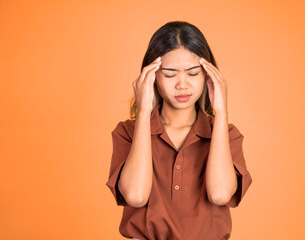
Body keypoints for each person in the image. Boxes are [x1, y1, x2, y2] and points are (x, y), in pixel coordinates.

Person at [106, 21, 253, 240]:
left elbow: (220, 194)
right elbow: (135, 196)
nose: (182, 84)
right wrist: (144, 112)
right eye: (170, 74)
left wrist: (221, 112)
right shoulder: (128, 132)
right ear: (152, 76)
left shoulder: (226, 134)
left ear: (208, 76)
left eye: (193, 73)